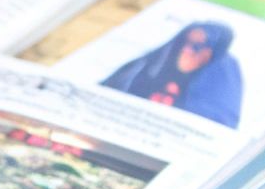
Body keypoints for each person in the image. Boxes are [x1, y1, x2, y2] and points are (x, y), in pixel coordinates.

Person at [100, 20, 244, 128]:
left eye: (197, 46)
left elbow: (218, 124)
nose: (187, 49)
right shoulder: (153, 63)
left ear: (210, 54)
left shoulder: (222, 72)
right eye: (185, 42)